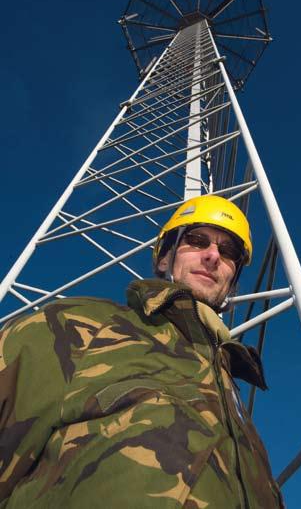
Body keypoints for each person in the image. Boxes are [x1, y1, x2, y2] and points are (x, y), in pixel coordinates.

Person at [0, 195, 284, 508]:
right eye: (197, 240)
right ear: (164, 256)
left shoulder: (242, 418)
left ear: (234, 280)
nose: (213, 256)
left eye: (228, 251)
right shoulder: (76, 326)